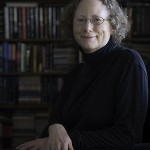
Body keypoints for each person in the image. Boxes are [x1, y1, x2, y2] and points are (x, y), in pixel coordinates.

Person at [16, 0, 149, 150]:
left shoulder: (129, 62)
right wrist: (55, 127)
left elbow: (127, 135)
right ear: (72, 25)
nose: (87, 28)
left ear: (112, 25)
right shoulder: (75, 74)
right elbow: (53, 125)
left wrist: (68, 140)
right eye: (80, 20)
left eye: (97, 20)